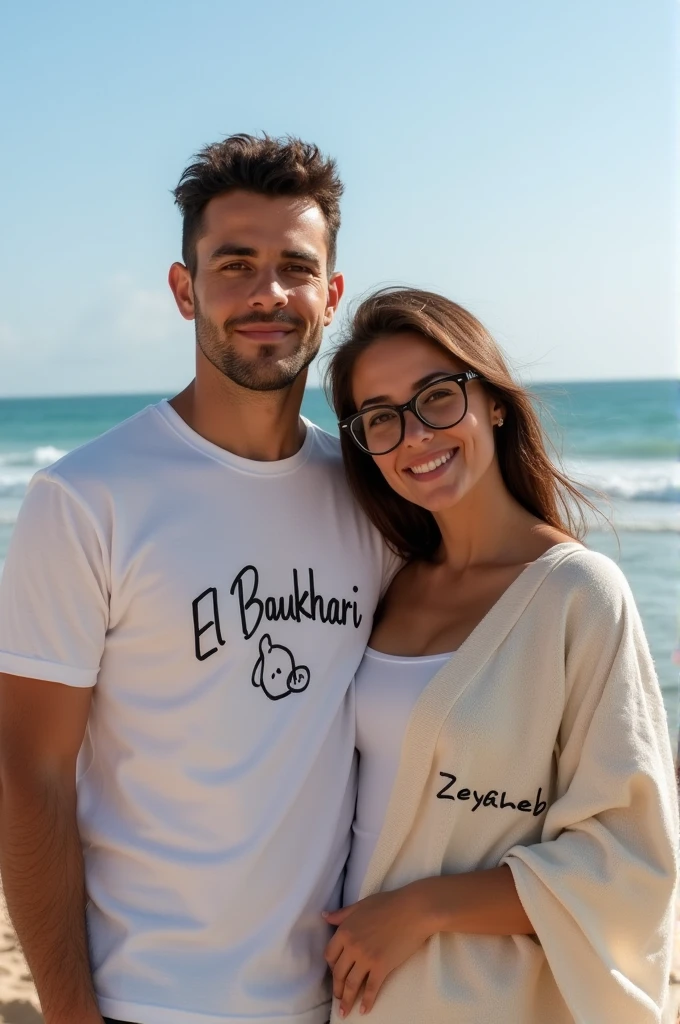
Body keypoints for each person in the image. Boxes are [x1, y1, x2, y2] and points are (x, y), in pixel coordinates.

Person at [0, 135, 398, 1024]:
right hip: (147, 1000)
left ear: (331, 296)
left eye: (296, 267)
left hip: (337, 1001)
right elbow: (28, 770)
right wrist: (68, 1009)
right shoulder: (85, 499)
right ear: (185, 291)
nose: (268, 294)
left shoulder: (371, 501)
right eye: (235, 265)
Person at [322, 287, 679, 1023]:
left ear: (492, 402)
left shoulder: (578, 593)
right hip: (356, 1001)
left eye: (437, 397)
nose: (415, 434)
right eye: (381, 418)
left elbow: (632, 857)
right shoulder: (388, 584)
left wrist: (420, 910)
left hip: (485, 1001)